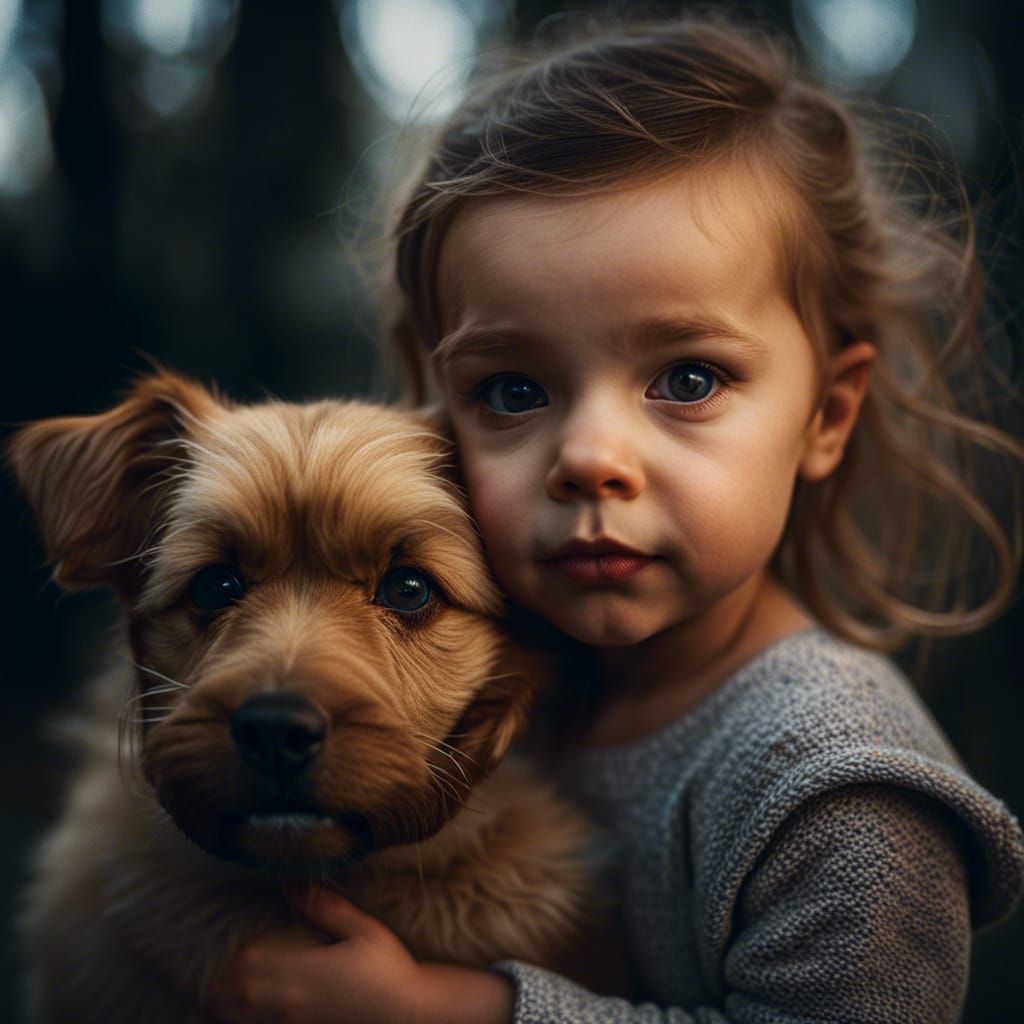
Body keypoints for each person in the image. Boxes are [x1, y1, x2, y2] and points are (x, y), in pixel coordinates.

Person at [208, 14, 1024, 1023]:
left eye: (687, 377)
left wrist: (456, 1012)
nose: (589, 458)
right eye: (511, 391)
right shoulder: (490, 674)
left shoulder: (840, 784)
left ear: (826, 412)